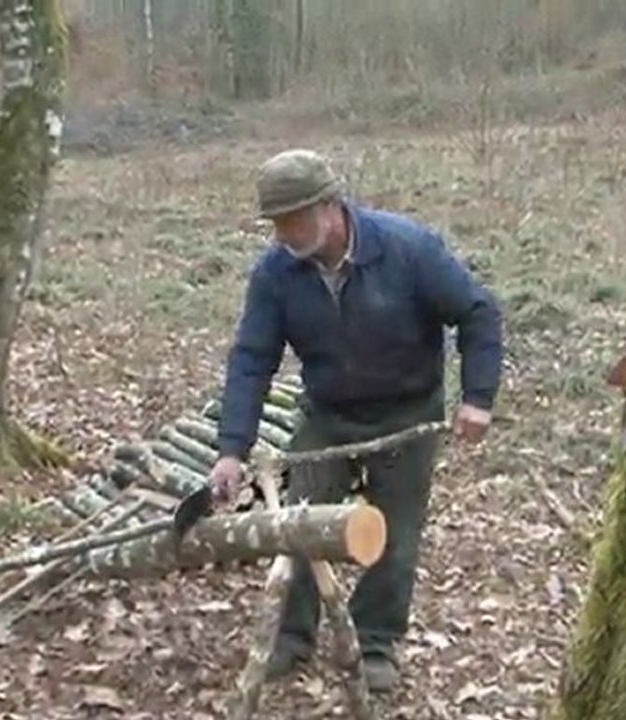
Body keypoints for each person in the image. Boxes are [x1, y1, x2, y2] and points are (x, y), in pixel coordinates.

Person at [209, 148, 503, 692]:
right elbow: (252, 357)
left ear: (330, 206)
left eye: (293, 219)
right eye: (275, 223)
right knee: (296, 523)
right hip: (329, 414)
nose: (284, 234)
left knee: (394, 533)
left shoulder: (408, 250)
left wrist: (478, 397)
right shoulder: (276, 274)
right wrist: (232, 448)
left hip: (406, 411)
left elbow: (478, 313)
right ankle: (292, 639)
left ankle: (374, 644)